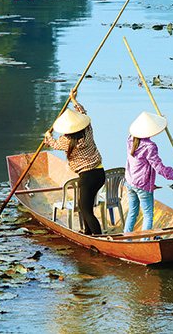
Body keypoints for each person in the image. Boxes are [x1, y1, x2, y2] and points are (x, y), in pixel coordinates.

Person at [45, 88, 104, 235]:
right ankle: (88, 233)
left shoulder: (66, 140)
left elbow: (54, 144)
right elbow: (83, 114)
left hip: (87, 177)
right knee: (86, 207)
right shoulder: (88, 130)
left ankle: (98, 237)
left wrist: (47, 136)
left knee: (85, 209)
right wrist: (74, 100)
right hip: (99, 173)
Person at [124, 111, 173, 233]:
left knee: (132, 212)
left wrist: (160, 121)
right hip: (142, 185)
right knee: (148, 215)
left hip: (130, 182)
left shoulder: (130, 140)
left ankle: (126, 236)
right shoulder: (150, 147)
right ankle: (145, 240)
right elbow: (159, 168)